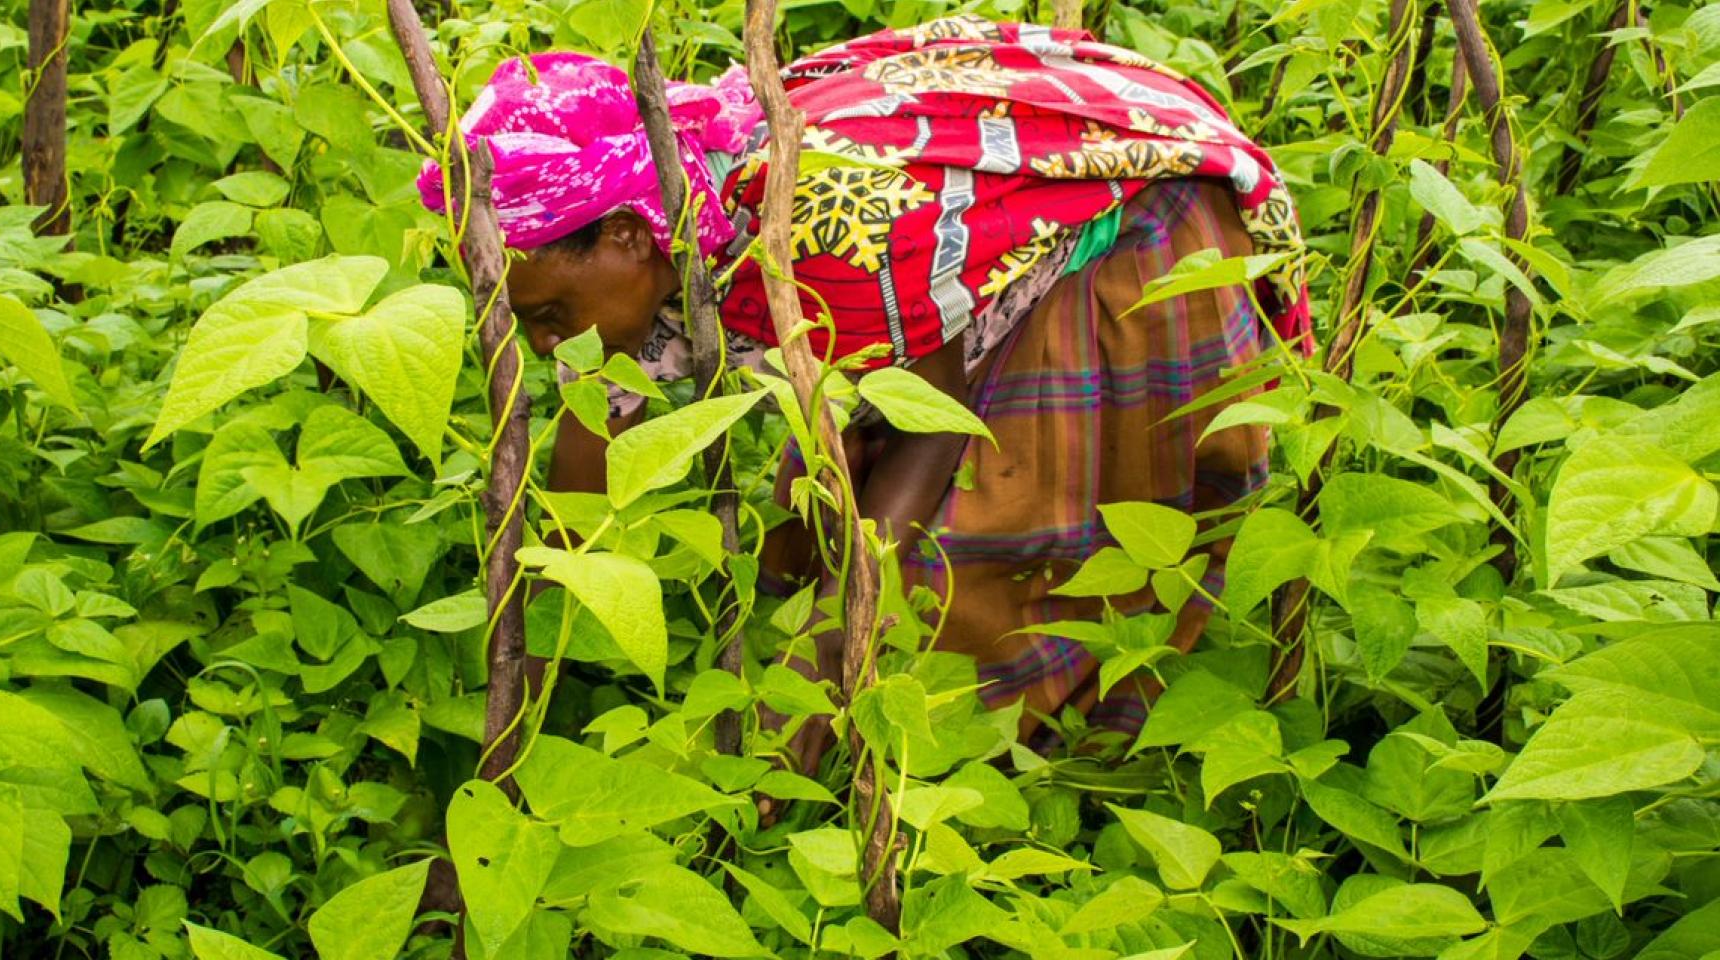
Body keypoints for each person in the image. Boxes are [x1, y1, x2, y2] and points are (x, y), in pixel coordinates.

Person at [419, 15, 1311, 750]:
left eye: (544, 315)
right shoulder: (653, 243)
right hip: (930, 282)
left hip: (1130, 218)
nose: (539, 346)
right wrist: (509, 731)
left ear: (625, 239)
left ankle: (1047, 770)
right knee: (842, 507)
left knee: (1004, 533)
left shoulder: (824, 235)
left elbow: (933, 416)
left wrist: (824, 650)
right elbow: (577, 510)